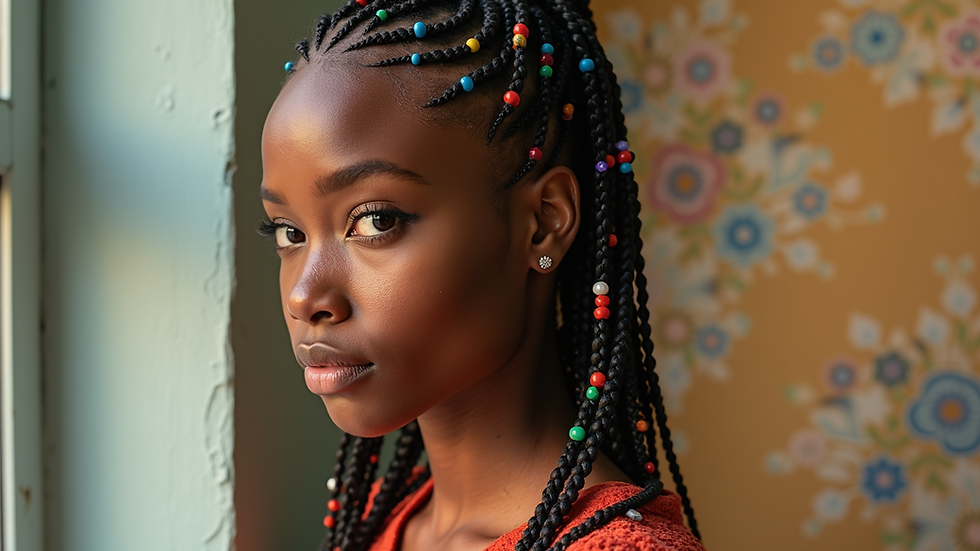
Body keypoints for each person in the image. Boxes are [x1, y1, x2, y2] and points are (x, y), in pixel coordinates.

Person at [258, 0, 705, 549]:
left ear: (543, 223)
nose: (306, 296)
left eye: (376, 220)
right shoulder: (384, 524)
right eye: (287, 232)